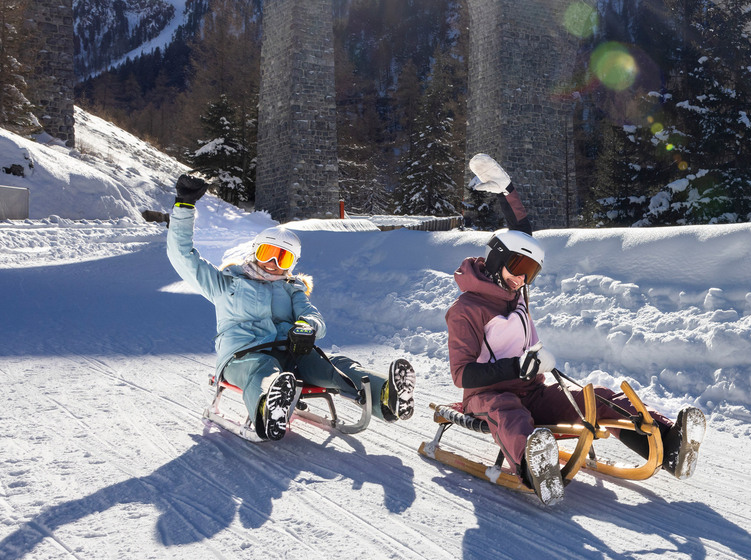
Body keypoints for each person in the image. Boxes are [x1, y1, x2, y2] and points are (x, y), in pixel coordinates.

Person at [445, 154, 704, 504]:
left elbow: (522, 233)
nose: (522, 277)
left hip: (532, 390)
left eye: (529, 272)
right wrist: (513, 368)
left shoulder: (514, 289)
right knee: (510, 414)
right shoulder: (466, 310)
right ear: (496, 259)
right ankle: (537, 468)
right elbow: (462, 375)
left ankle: (669, 443)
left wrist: (508, 191)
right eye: (517, 267)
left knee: (596, 399)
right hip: (486, 397)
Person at [166, 174, 415, 441]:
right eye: (266, 253)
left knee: (334, 366)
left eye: (282, 257)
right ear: (254, 252)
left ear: (291, 264)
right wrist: (184, 206)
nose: (273, 262)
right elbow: (182, 256)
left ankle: (386, 395)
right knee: (261, 369)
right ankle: (268, 408)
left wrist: (307, 327)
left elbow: (312, 315)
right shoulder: (226, 283)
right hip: (243, 357)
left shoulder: (291, 288)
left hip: (291, 354)